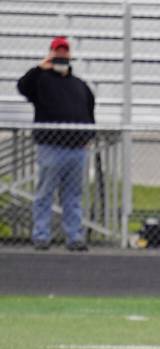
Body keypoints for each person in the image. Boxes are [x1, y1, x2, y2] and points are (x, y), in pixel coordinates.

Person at [16, 36, 95, 251]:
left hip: (76, 149)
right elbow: (23, 87)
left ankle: (74, 237)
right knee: (45, 193)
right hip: (51, 147)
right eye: (57, 51)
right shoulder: (41, 80)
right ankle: (41, 235)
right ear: (51, 53)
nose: (61, 55)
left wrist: (89, 136)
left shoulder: (79, 85)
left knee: (73, 196)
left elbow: (89, 110)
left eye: (64, 51)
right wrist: (40, 67)